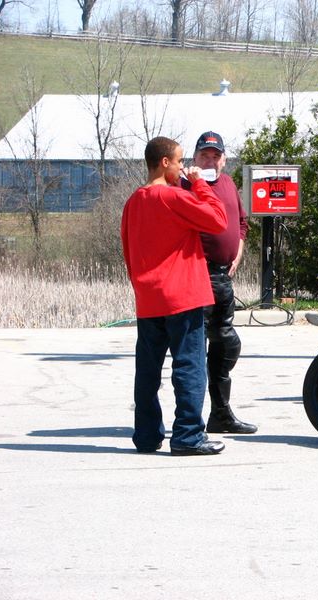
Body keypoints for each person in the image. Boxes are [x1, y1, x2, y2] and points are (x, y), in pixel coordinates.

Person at [121, 136, 228, 456]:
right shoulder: (173, 196)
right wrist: (199, 184)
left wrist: (141, 286)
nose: (183, 168)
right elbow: (218, 220)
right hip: (182, 295)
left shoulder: (133, 202)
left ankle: (146, 436)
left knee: (148, 370)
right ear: (165, 162)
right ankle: (187, 435)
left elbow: (128, 249)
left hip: (149, 297)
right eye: (180, 162)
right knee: (189, 366)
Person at [183, 131, 257, 434]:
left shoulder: (227, 183)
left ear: (224, 159)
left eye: (216, 156)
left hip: (223, 277)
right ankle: (190, 423)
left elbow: (241, 223)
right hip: (197, 276)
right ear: (195, 157)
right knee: (194, 350)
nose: (210, 160)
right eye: (205, 155)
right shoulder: (184, 185)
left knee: (226, 345)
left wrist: (237, 252)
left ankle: (221, 415)